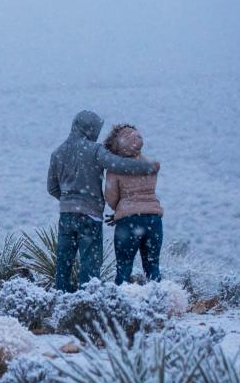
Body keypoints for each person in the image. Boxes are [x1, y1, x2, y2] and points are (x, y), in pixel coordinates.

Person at [47, 110, 159, 292]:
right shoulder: (95, 150)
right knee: (90, 263)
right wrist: (147, 167)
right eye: (96, 129)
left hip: (66, 215)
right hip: (90, 215)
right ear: (89, 129)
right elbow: (117, 164)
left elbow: (51, 188)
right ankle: (88, 304)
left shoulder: (57, 152)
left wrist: (69, 200)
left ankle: (61, 301)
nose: (97, 133)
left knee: (64, 263)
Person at [103, 124, 164, 284]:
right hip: (154, 219)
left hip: (128, 222)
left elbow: (110, 197)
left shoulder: (115, 168)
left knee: (123, 268)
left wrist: (119, 210)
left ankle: (120, 304)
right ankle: (158, 302)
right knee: (153, 267)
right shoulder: (151, 164)